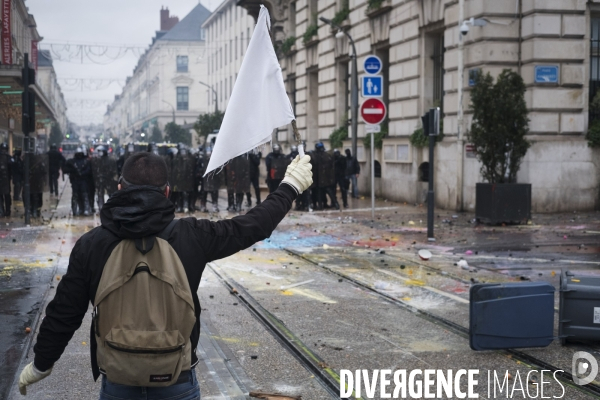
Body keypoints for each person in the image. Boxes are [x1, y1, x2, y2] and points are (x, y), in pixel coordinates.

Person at [18, 152, 313, 399]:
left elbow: (64, 312)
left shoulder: (93, 244)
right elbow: (251, 226)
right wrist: (290, 186)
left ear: (119, 188)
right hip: (177, 379)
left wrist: (42, 364)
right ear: (168, 191)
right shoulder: (193, 235)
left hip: (119, 380)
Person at [64, 147, 92, 216]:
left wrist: (82, 173)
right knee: (76, 196)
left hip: (83, 180)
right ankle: (76, 210)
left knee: (84, 195)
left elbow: (89, 170)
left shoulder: (85, 161)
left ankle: (85, 209)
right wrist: (74, 171)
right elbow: (66, 169)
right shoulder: (72, 162)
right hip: (75, 180)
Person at [0, 143, 11, 217]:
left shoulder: (9, 158)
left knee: (7, 196)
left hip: (6, 180)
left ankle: (7, 210)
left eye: (5, 150)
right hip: (2, 180)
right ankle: (1, 211)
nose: (4, 151)